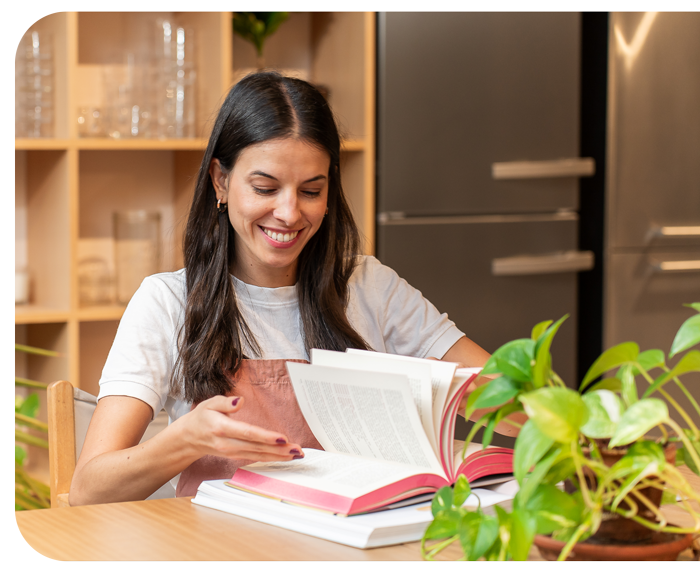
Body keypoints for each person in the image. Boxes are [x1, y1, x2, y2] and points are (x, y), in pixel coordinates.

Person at [70, 72, 520, 506]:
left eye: (311, 190)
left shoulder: (369, 286)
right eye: (265, 187)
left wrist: (572, 425)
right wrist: (184, 440)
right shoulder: (167, 302)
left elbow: (506, 399)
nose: (288, 213)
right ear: (220, 180)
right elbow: (89, 491)